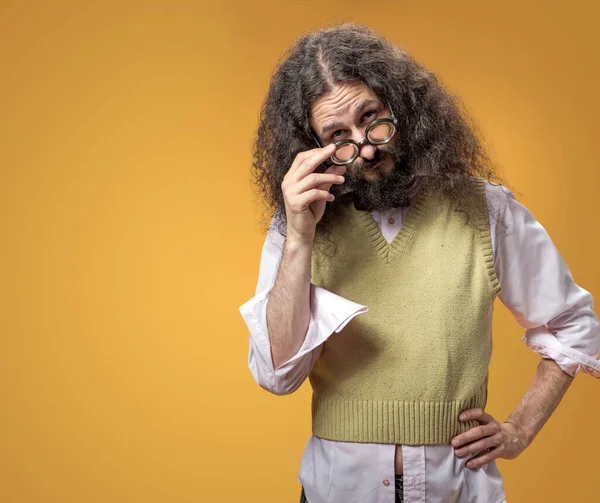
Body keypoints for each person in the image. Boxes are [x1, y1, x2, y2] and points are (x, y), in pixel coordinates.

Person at [239, 23, 600, 503]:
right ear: (314, 148)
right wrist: (300, 237)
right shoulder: (300, 228)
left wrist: (519, 429)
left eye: (372, 118)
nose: (365, 148)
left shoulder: (485, 210)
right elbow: (278, 372)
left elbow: (573, 325)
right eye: (338, 137)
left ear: (401, 103)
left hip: (458, 491)